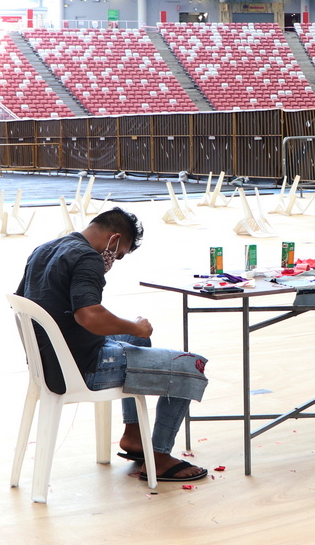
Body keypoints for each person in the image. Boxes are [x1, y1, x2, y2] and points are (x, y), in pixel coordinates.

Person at [16, 207, 209, 483]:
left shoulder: (45, 249)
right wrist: (134, 325)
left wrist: (134, 332)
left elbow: (26, 303)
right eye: (118, 254)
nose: (112, 261)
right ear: (114, 239)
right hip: (83, 367)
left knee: (138, 340)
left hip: (51, 361)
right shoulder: (87, 257)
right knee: (191, 366)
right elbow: (88, 315)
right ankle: (161, 457)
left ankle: (133, 435)